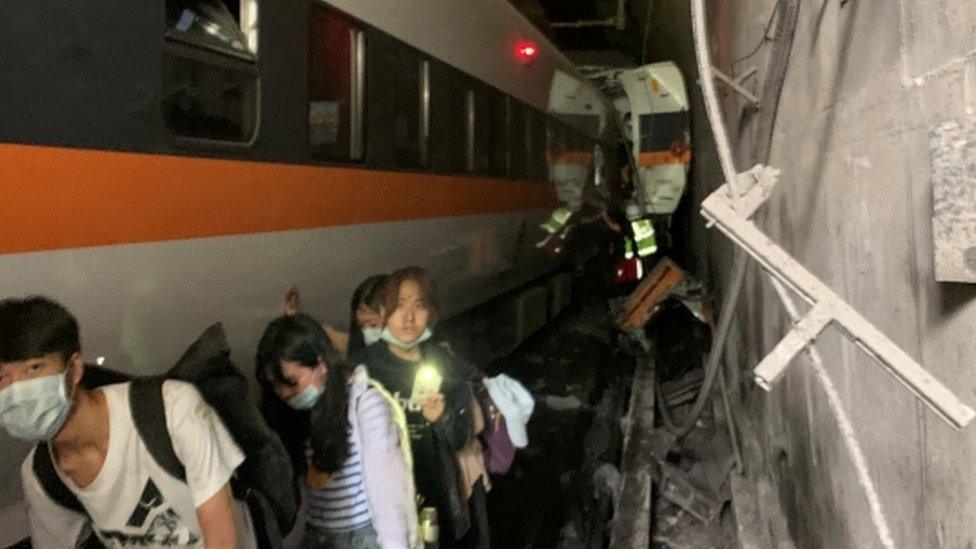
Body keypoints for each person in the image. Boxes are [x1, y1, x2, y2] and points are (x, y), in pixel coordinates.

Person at [0, 296, 255, 548]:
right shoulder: (41, 475)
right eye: (2, 377)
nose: (17, 389)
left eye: (34, 369)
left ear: (75, 368)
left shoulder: (172, 408)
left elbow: (222, 540)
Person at [351, 267, 489, 549]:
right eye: (399, 306)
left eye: (420, 306)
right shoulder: (363, 370)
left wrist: (444, 417)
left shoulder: (447, 366)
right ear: (383, 309)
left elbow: (461, 438)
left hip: (433, 499)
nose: (409, 317)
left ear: (431, 314)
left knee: (432, 542)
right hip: (383, 504)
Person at [256, 313, 416, 549]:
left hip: (361, 538)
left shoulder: (364, 404)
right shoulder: (299, 414)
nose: (284, 393)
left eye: (291, 382)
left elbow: (388, 491)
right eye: (275, 386)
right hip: (317, 537)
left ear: (321, 365)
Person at [282, 275, 388, 360]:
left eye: (373, 324)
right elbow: (326, 335)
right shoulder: (360, 351)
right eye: (362, 327)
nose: (366, 333)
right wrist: (294, 317)